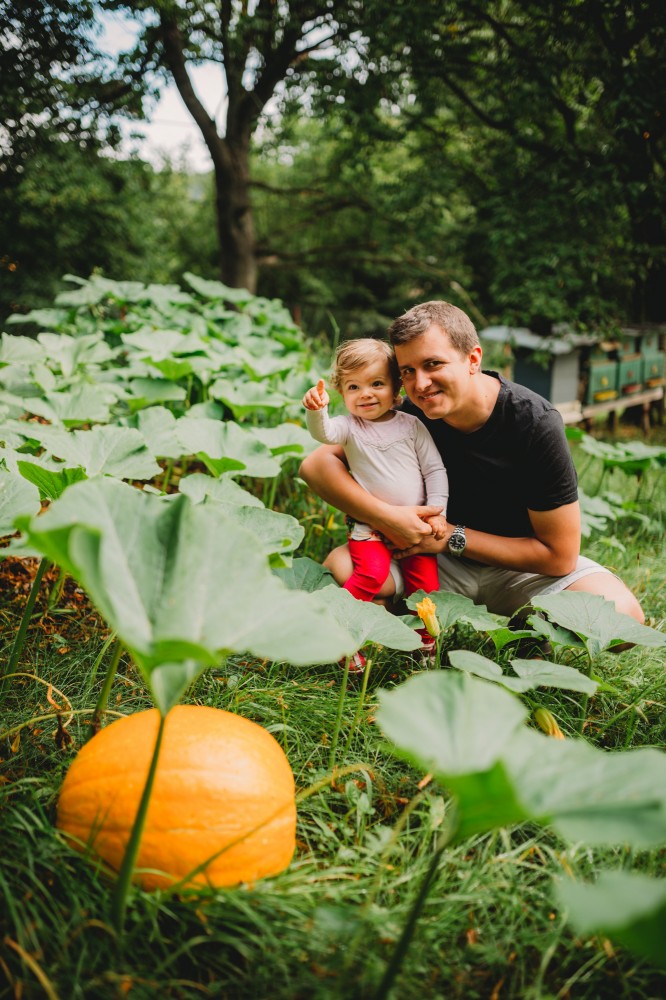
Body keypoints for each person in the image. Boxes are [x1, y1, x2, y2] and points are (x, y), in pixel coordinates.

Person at [300, 301, 644, 627]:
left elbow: (559, 556)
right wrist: (389, 518)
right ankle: (411, 628)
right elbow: (316, 466)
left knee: (622, 615)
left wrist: (451, 536)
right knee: (340, 567)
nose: (420, 384)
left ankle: (530, 629)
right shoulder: (406, 413)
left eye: (433, 364)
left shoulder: (533, 422)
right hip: (430, 558)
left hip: (517, 569)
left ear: (473, 359)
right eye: (407, 371)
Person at [302, 338, 449, 669]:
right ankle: (343, 637)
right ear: (342, 392)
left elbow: (435, 471)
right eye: (354, 386)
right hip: (370, 526)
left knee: (426, 588)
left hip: (419, 526)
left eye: (377, 384)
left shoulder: (412, 426)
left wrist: (439, 512)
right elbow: (323, 433)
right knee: (370, 575)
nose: (365, 393)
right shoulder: (349, 428)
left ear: (396, 387)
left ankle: (424, 645)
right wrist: (317, 410)